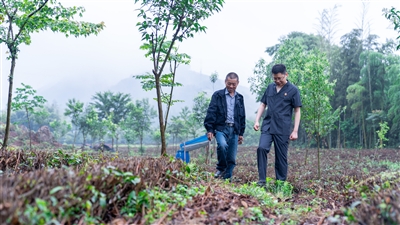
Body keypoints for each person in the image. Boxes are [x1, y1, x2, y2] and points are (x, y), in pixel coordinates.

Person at [253, 64, 301, 185]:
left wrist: (295, 130)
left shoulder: (293, 90)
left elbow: (297, 110)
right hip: (268, 125)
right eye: (275, 78)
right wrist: (257, 120)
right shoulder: (270, 88)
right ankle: (262, 180)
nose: (278, 81)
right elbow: (263, 104)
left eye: (280, 78)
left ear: (286, 75)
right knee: (261, 148)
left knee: (281, 157)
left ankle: (280, 184)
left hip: (282, 128)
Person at [204, 72, 246, 181]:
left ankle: (227, 177)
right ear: (225, 82)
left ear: (238, 83)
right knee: (222, 146)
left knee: (231, 157)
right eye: (229, 84)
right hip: (221, 128)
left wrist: (241, 133)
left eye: (234, 84)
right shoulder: (218, 95)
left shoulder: (240, 98)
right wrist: (210, 129)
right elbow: (211, 112)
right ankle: (221, 168)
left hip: (234, 129)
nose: (231, 86)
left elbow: (242, 116)